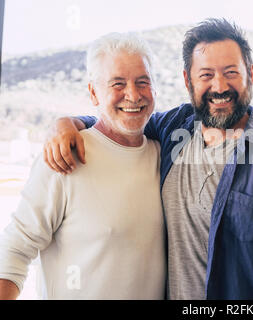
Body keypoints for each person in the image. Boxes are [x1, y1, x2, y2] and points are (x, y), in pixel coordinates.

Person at [44, 18, 253, 299]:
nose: (220, 86)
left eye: (231, 73)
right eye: (206, 75)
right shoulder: (173, 127)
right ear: (187, 80)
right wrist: (66, 123)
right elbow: (118, 119)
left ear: (250, 73)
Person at [0, 33, 166, 299]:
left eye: (142, 82)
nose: (133, 95)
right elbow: (15, 250)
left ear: (155, 89)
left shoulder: (163, 156)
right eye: (118, 84)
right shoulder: (64, 156)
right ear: (93, 92)